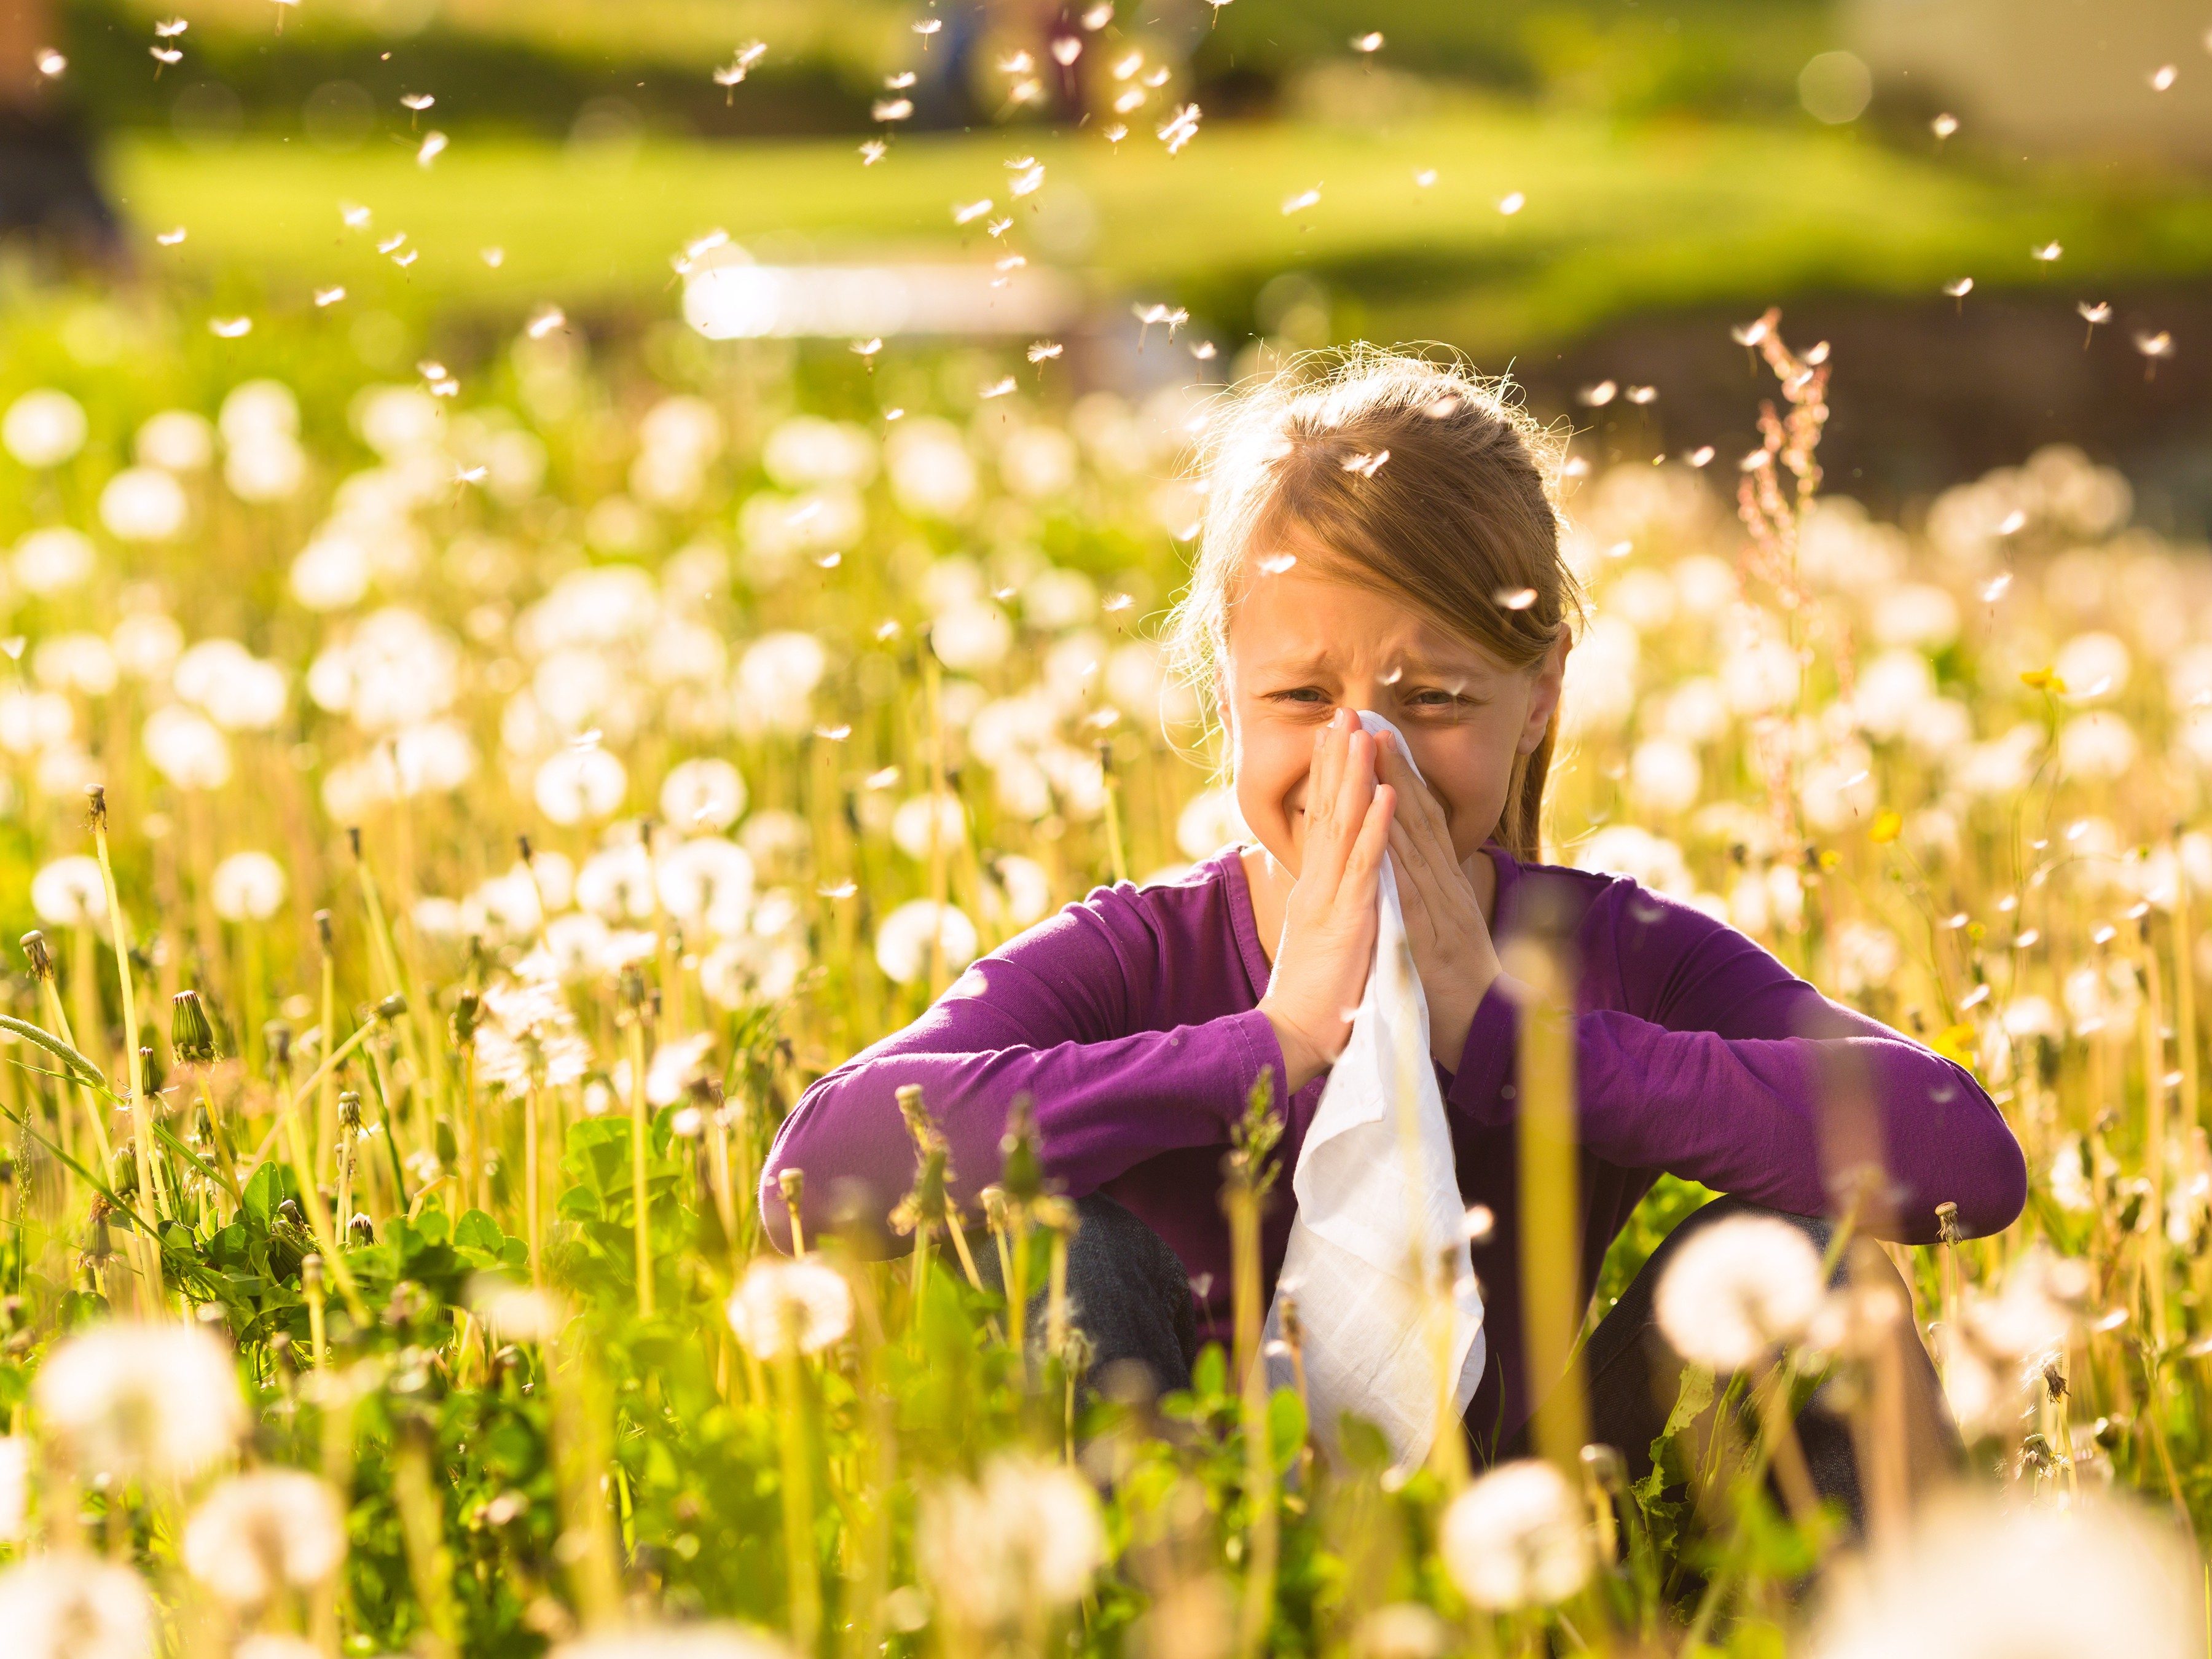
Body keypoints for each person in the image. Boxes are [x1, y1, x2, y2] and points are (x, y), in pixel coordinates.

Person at [759, 348, 2027, 1526]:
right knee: (1060, 1244)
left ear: (1539, 699)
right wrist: (1271, 1044)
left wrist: (1519, 1041)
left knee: (1815, 1263)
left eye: (1434, 700)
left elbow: (1964, 1158)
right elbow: (815, 1174)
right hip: (1186, 1509)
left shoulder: (1614, 951)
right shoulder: (1141, 954)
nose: (1366, 758)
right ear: (1227, 685)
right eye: (1304, 697)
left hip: (1528, 1510)